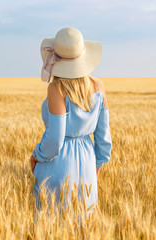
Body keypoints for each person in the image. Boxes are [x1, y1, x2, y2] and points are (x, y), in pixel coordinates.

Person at [30, 27, 112, 221]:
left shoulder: (56, 88)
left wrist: (36, 156)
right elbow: (103, 137)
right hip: (87, 162)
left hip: (57, 164)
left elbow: (55, 140)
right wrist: (96, 167)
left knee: (52, 225)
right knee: (84, 225)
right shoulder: (99, 86)